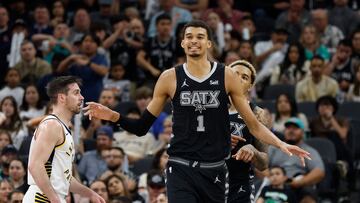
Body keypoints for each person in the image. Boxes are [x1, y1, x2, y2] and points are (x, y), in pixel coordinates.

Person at [84, 20, 310, 203]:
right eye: (189, 37)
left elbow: (252, 124)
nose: (194, 41)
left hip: (215, 169)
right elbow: (142, 126)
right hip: (181, 166)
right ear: (182, 43)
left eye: (200, 37)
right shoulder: (169, 78)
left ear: (209, 44)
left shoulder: (226, 75)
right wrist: (113, 115)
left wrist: (281, 144)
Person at [23, 76, 105, 203]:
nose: (82, 97)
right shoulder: (52, 125)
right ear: (62, 97)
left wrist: (89, 193)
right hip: (42, 198)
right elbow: (35, 166)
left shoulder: (62, 128)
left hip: (52, 197)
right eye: (76, 93)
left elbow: (64, 177)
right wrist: (54, 199)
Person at [227, 60, 271, 203]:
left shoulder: (257, 113)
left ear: (250, 86)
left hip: (239, 185)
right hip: (206, 180)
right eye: (234, 74)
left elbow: (263, 164)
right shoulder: (208, 108)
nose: (238, 79)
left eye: (244, 77)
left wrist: (253, 150)